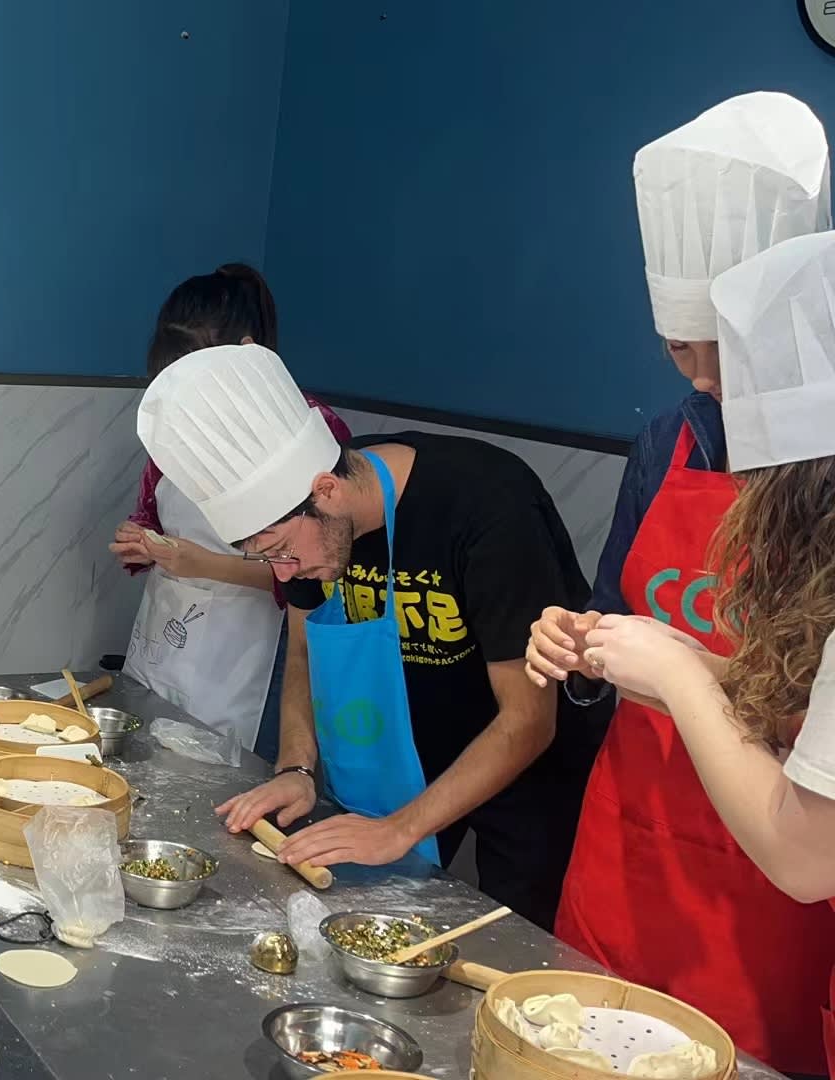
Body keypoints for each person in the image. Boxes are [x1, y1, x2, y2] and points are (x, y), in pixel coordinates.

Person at [527, 92, 835, 1075]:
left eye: (725, 352)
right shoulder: (664, 444)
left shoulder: (816, 478)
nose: (700, 376)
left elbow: (807, 833)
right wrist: (585, 648)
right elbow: (620, 615)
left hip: (764, 889)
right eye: (678, 347)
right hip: (627, 851)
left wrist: (676, 668)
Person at [139, 344, 608, 928]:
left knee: (513, 931)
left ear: (326, 491)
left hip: (525, 760)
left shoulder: (488, 506)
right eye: (265, 558)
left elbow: (528, 721)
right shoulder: (306, 532)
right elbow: (302, 652)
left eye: (281, 552)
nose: (282, 574)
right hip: (410, 749)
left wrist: (399, 830)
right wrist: (295, 769)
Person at [110, 263, 350, 754]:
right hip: (167, 635)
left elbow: (321, 573)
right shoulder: (179, 429)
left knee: (231, 776)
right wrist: (142, 542)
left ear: (246, 353)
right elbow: (152, 513)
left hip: (252, 652)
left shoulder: (312, 432)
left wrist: (204, 563)